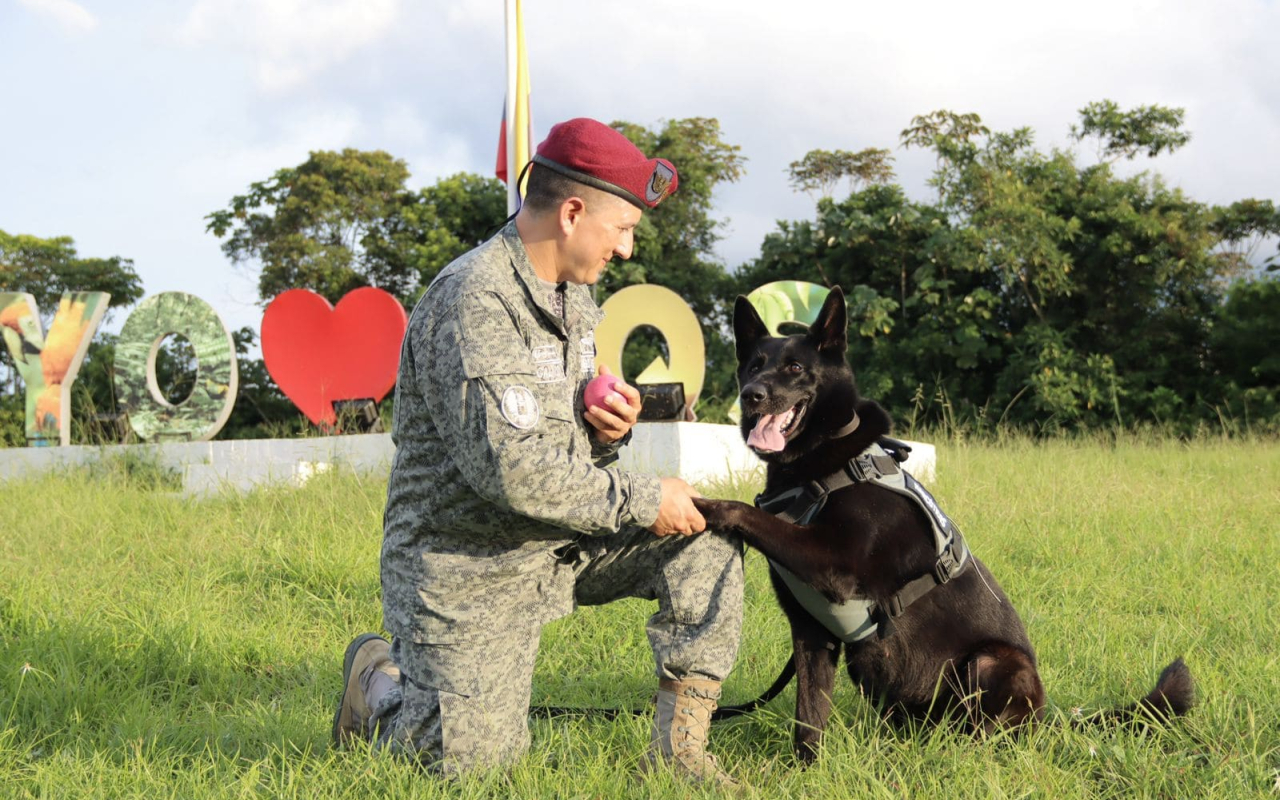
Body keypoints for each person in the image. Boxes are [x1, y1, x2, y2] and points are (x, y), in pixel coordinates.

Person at [332, 118, 744, 786]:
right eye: (622, 229)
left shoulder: (573, 296)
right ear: (573, 213)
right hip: (467, 567)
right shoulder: (474, 300)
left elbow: (552, 442)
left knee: (706, 537)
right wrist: (645, 497)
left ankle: (677, 756)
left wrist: (606, 431)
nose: (629, 248)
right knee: (472, 770)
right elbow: (511, 471)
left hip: (558, 541)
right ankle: (380, 687)